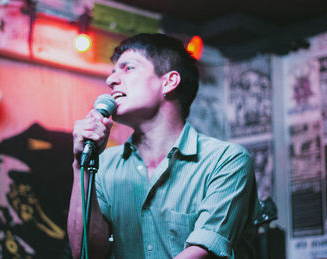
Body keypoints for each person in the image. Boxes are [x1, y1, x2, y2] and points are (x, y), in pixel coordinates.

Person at [68, 33, 259, 259]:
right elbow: (86, 252)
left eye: (128, 68)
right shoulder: (106, 164)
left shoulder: (225, 160)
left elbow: (202, 252)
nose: (111, 80)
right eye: (112, 72)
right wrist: (82, 164)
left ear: (169, 82)